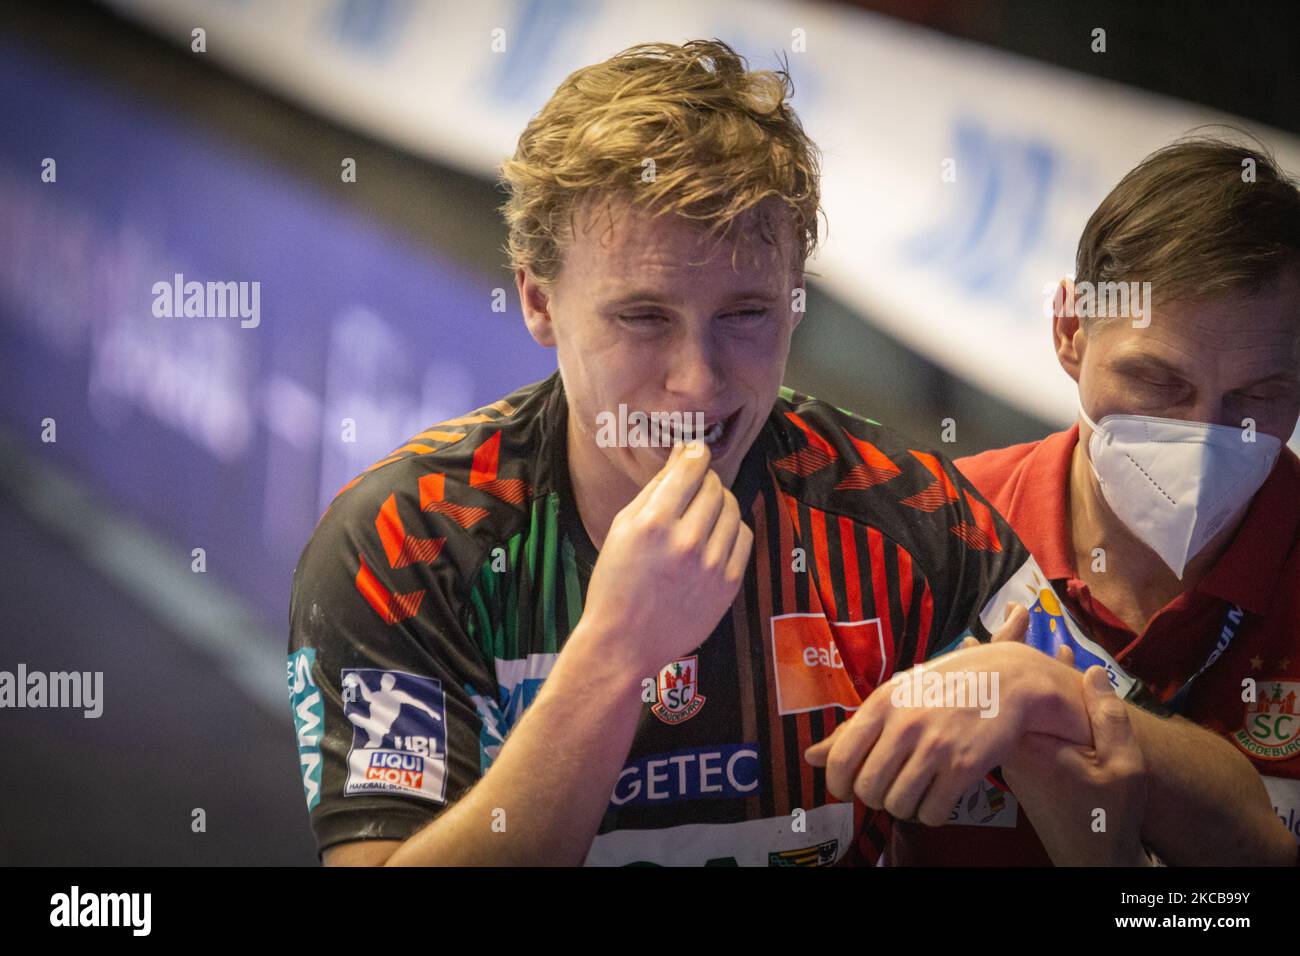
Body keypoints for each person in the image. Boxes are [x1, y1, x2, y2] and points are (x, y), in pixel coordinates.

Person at [285, 42, 1277, 867]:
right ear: (538, 300)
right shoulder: (405, 540)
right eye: (641, 316)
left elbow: (1242, 838)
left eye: (747, 315)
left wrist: (1049, 696)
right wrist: (614, 652)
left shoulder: (905, 516)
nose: (698, 381)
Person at [885, 134, 1300, 866]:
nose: (1203, 436)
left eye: (1257, 395)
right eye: (1157, 382)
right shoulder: (937, 528)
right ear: (1071, 330)